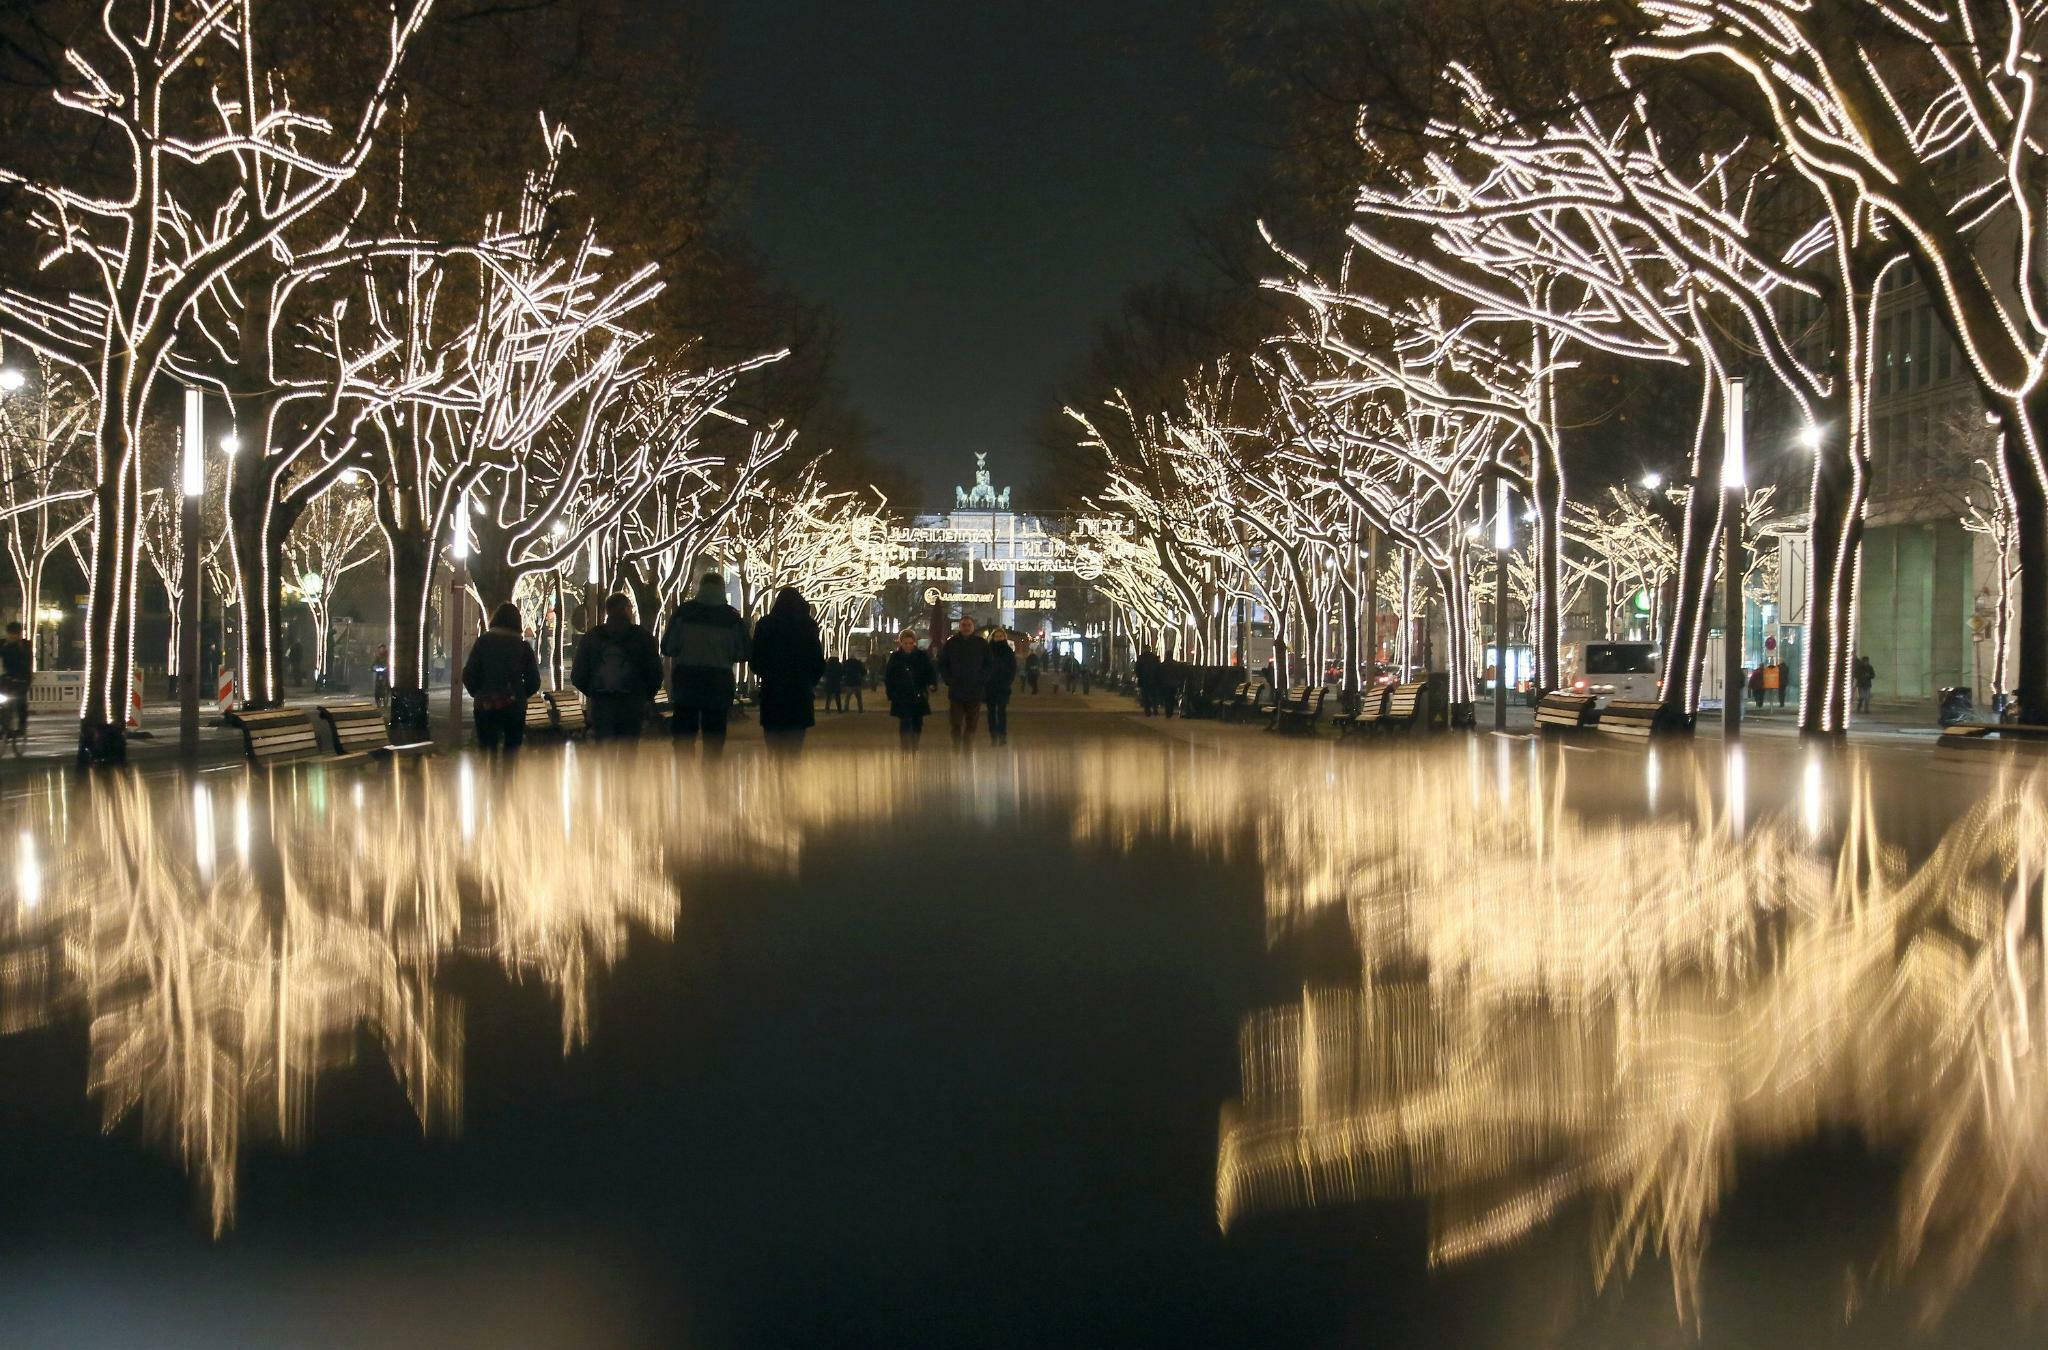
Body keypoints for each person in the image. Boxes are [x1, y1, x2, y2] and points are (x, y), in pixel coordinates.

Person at [660, 572, 749, 747]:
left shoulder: (684, 613)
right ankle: (711, 772)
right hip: (718, 680)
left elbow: (668, 647)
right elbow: (743, 653)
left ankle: (684, 771)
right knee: (714, 736)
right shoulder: (732, 618)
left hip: (687, 679)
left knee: (684, 735)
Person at [572, 593, 663, 741]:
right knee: (629, 753)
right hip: (632, 705)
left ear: (608, 611)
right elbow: (655, 672)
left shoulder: (592, 637)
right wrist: (644, 696)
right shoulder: (642, 637)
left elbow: (577, 675)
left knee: (605, 753)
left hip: (602, 706)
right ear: (626, 609)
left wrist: (594, 692)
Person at [751, 586, 825, 750]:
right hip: (799, 693)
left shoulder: (765, 625)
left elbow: (756, 659)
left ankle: (776, 774)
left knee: (774, 747)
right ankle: (790, 775)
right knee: (794, 748)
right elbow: (817, 661)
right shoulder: (807, 627)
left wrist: (767, 675)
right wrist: (808, 681)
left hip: (772, 693)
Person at [462, 602, 542, 753]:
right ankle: (508, 775)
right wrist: (519, 695)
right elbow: (534, 681)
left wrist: (479, 693)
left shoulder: (483, 643)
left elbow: (468, 674)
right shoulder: (523, 647)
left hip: (485, 705)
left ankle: (489, 774)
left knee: (487, 750)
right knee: (511, 752)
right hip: (514, 707)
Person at [937, 614, 991, 746]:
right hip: (957, 689)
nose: (966, 627)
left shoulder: (981, 644)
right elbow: (943, 663)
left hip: (975, 689)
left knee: (972, 722)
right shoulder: (951, 643)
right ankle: (956, 745)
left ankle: (968, 746)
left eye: (969, 625)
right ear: (959, 627)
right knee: (955, 721)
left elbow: (988, 664)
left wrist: (982, 679)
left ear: (973, 627)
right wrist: (949, 679)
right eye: (963, 625)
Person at [884, 629, 937, 749]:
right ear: (901, 643)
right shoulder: (896, 657)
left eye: (910, 643)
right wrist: (891, 693)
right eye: (905, 643)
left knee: (917, 722)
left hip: (918, 693)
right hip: (901, 694)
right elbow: (889, 676)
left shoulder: (922, 656)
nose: (908, 646)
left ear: (915, 643)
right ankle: (906, 747)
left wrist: (931, 684)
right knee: (905, 722)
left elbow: (930, 672)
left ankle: (914, 745)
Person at [985, 626, 1018, 744]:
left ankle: (1002, 734)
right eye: (997, 636)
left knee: (1002, 711)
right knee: (991, 711)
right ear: (993, 637)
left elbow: (1013, 668)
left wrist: (1008, 680)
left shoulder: (1008, 651)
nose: (999, 638)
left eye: (1001, 636)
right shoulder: (987, 650)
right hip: (990, 685)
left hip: (1003, 685)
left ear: (1004, 637)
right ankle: (993, 734)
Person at [0, 620, 32, 738]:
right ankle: (3, 724)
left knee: (20, 702)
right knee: (2, 701)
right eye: (11, 633)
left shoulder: (25, 645)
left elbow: (27, 661)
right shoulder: (2, 644)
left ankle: (21, 727)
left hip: (22, 678)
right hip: (6, 677)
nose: (13, 636)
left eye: (15, 634)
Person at [1134, 647, 1162, 716]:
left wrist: (1139, 676)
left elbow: (1137, 669)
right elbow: (1159, 669)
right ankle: (1155, 709)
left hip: (1144, 680)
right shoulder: (1154, 657)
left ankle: (1147, 710)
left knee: (1145, 696)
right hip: (1154, 680)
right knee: (1154, 696)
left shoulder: (1141, 658)